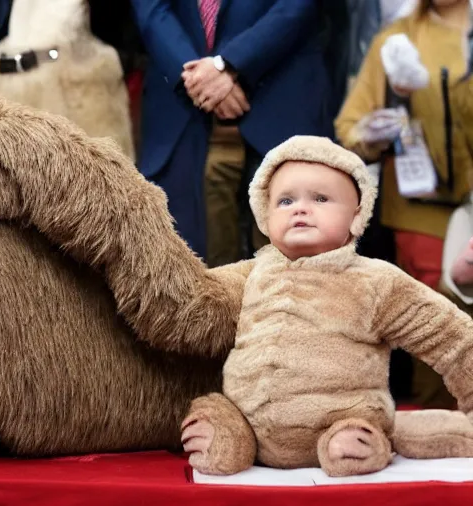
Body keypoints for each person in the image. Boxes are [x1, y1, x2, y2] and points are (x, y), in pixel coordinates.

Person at [180, 136, 473, 477]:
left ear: (356, 215)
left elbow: (452, 338)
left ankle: (358, 442)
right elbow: (192, 300)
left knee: (349, 443)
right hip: (249, 423)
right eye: (285, 200)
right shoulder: (252, 273)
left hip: (338, 418)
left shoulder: (375, 281)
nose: (300, 209)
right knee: (217, 422)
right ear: (264, 214)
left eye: (321, 198)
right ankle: (224, 436)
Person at [335, 0, 473, 408]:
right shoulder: (397, 39)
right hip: (423, 209)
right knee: (438, 330)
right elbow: (350, 129)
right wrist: (376, 131)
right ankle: (444, 437)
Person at [130, 0, 332, 264]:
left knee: (294, 272)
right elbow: (152, 11)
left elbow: (295, 7)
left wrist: (229, 64)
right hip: (181, 106)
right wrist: (198, 79)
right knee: (182, 267)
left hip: (282, 96)